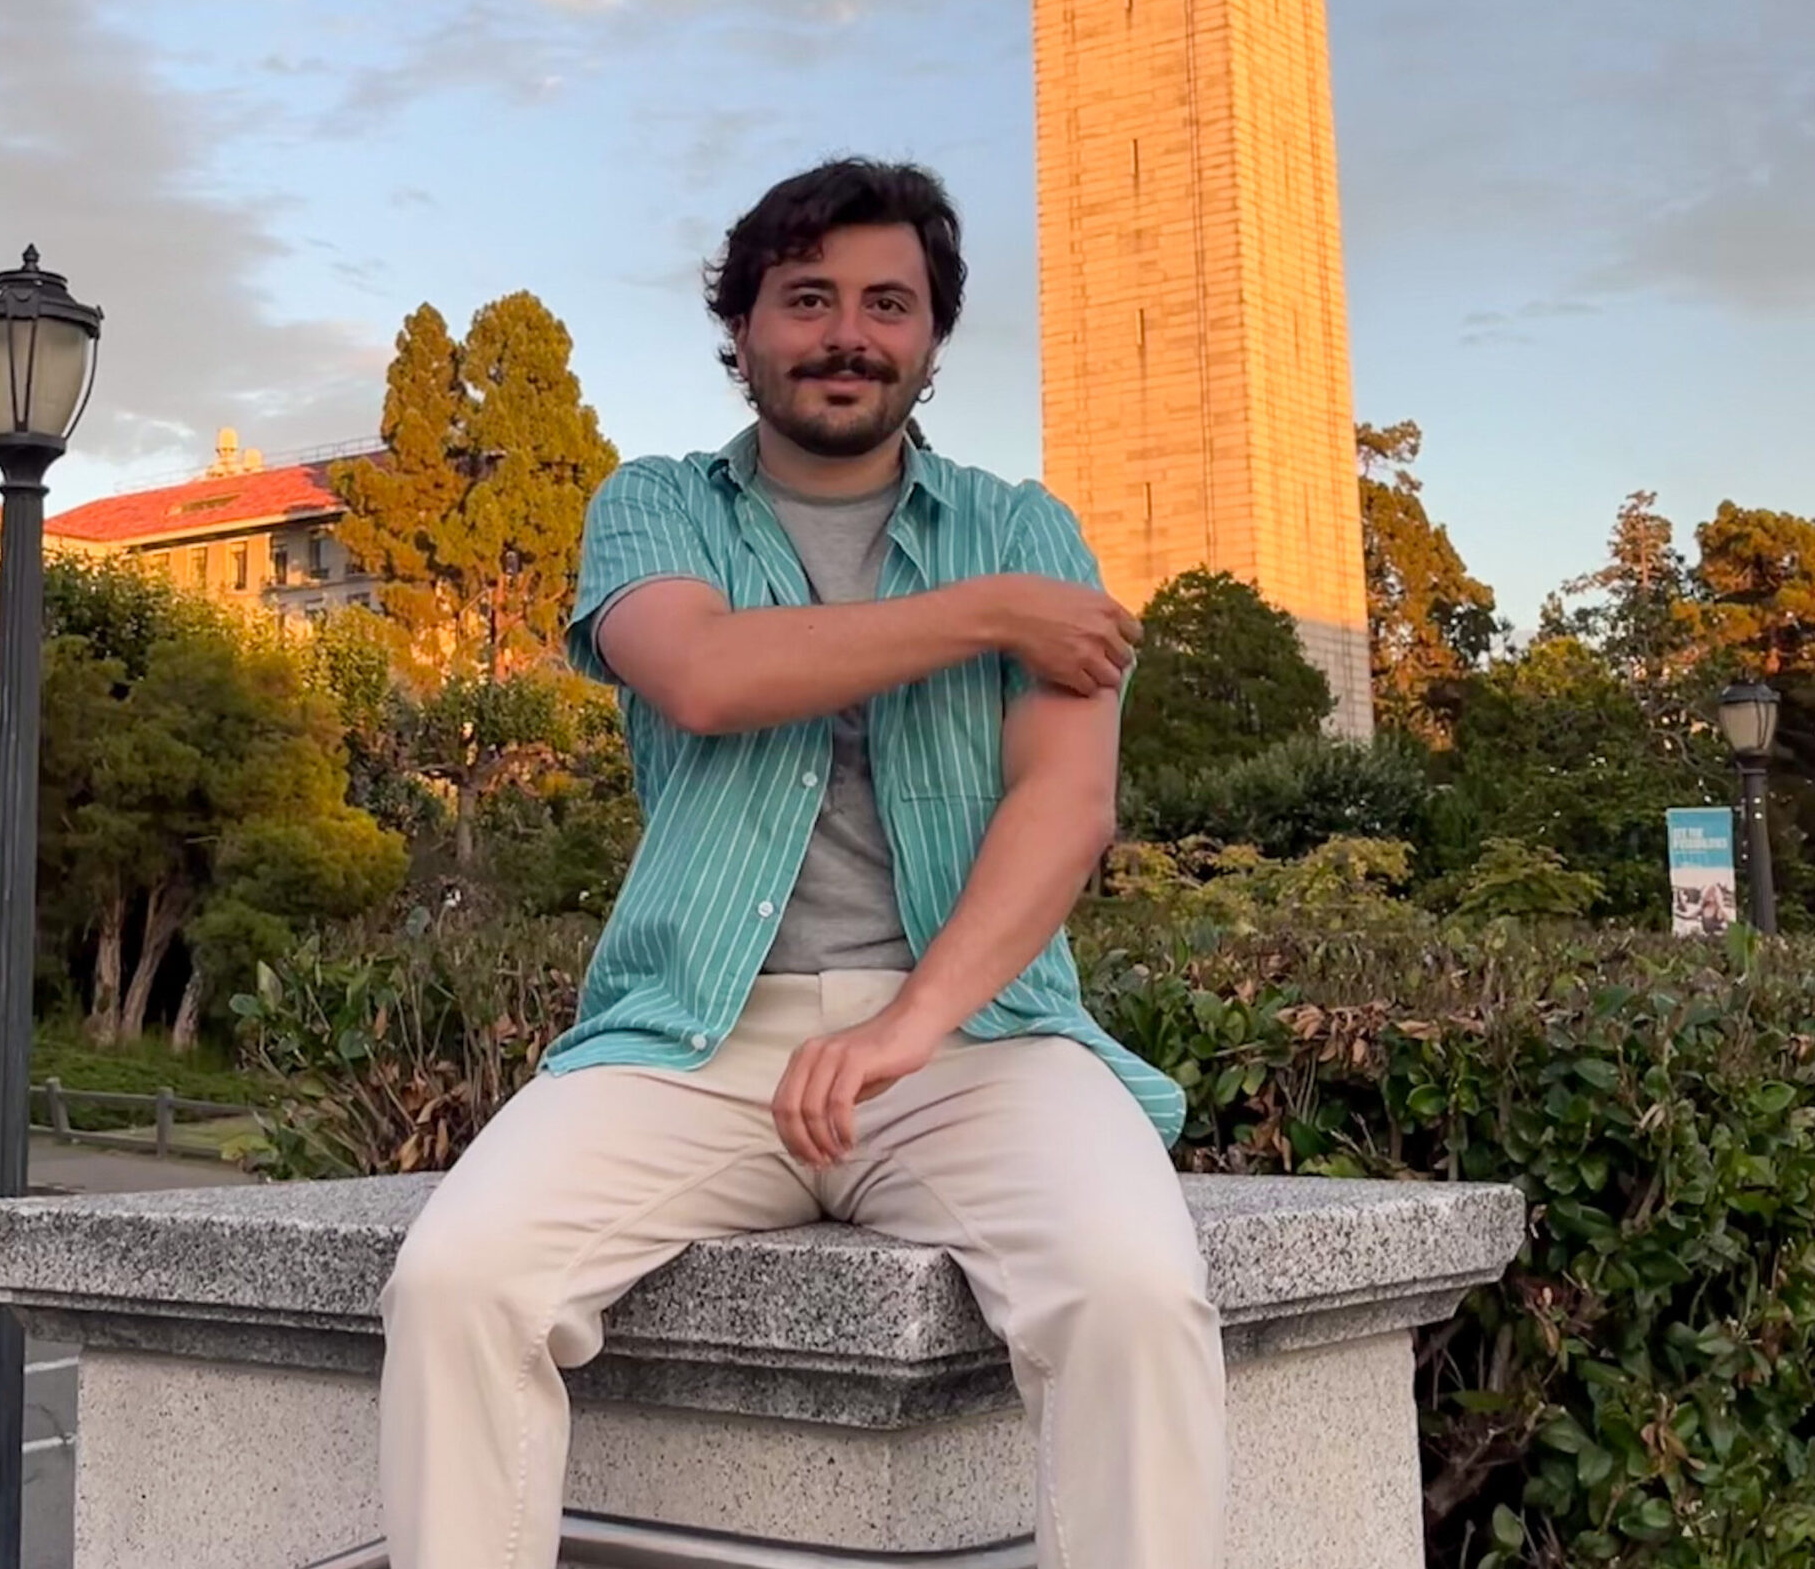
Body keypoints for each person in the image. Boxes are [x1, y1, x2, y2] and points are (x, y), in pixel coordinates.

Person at [379, 157, 1225, 1569]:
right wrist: (998, 616)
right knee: (462, 1283)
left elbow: (1063, 812)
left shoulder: (1026, 526)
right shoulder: (658, 507)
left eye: (888, 303)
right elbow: (705, 675)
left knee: (1135, 1295)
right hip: (693, 1033)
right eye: (808, 298)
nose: (848, 333)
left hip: (975, 1034)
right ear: (745, 327)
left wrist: (910, 1026)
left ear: (932, 339)